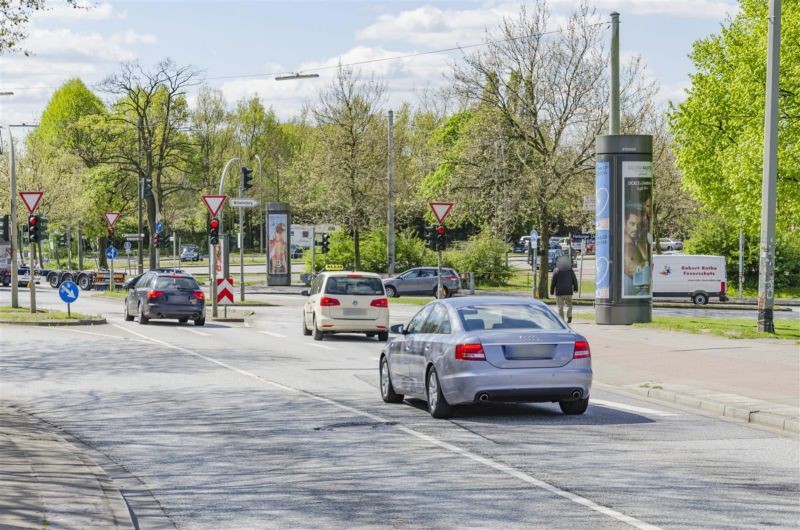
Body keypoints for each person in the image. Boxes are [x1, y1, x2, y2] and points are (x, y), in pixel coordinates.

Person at [622, 207, 650, 296]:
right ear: (624, 223)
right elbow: (643, 276)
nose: (635, 228)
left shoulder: (637, 242)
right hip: (633, 296)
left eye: (638, 225)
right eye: (632, 224)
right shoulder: (624, 247)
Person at [550, 256, 579, 323]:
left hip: (559, 292)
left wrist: (551, 291)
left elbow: (553, 281)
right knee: (569, 305)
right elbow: (574, 279)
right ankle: (569, 316)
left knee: (560, 306)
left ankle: (561, 319)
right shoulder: (570, 270)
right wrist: (575, 288)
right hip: (568, 291)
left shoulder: (556, 270)